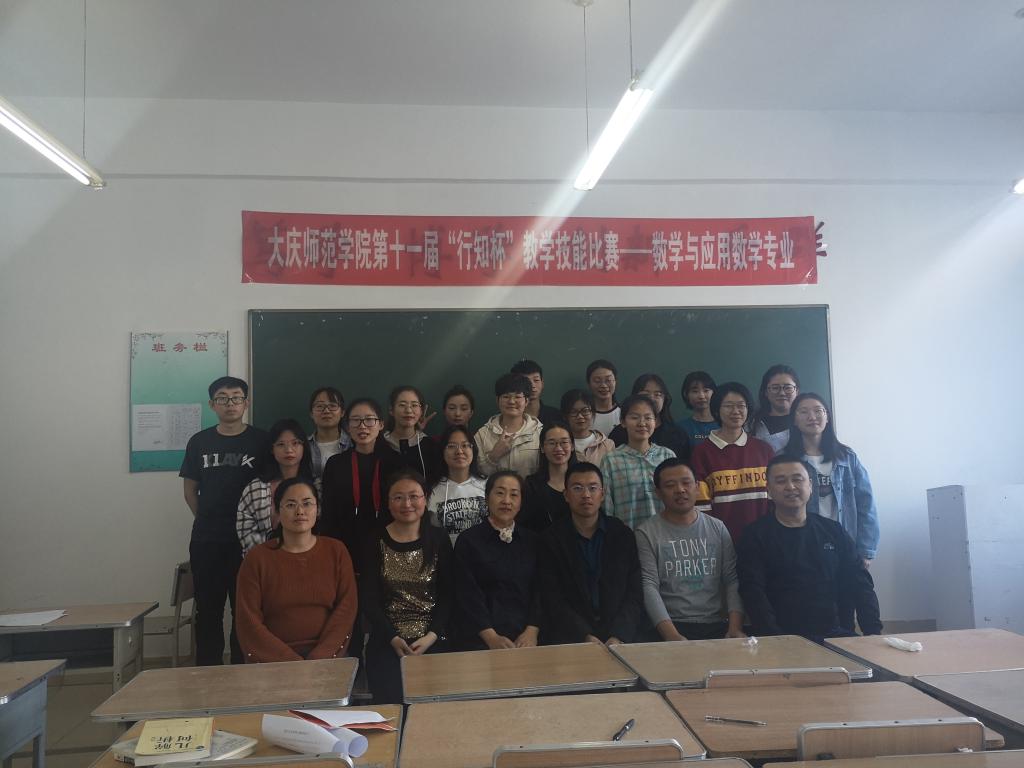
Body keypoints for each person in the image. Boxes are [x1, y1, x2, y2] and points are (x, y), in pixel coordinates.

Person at [737, 456, 882, 642]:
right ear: (769, 490)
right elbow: (753, 593)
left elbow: (860, 583)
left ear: (811, 485)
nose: (790, 487)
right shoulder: (755, 535)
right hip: (781, 640)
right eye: (781, 481)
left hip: (837, 636)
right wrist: (776, 640)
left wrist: (873, 633)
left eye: (797, 479)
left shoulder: (833, 531)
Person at [180, 376, 270, 665]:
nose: (229, 404)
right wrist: (207, 520)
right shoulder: (199, 442)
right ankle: (208, 673)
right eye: (222, 398)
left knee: (245, 610)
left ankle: (241, 672)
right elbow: (190, 490)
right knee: (208, 610)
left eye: (236, 398)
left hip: (249, 541)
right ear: (212, 404)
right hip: (207, 540)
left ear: (246, 402)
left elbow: (271, 488)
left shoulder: (261, 441)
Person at [235, 478, 358, 662]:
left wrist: (319, 658)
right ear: (277, 511)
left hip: (327, 660)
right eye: (291, 505)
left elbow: (346, 611)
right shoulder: (257, 558)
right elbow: (248, 621)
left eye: (307, 503)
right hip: (273, 661)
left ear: (317, 509)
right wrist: (290, 662)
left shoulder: (336, 551)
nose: (300, 511)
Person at [359, 471, 454, 703]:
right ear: (388, 502)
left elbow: (449, 594)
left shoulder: (439, 539)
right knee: (392, 704)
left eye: (414, 496)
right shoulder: (375, 540)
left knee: (436, 708)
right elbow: (368, 599)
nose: (407, 504)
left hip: (434, 638)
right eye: (398, 497)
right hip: (388, 640)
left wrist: (431, 636)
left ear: (425, 499)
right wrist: (393, 637)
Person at [636, 458, 744, 641]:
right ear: (658, 493)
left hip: (716, 624)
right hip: (670, 627)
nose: (680, 490)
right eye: (670, 485)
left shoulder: (717, 528)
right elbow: (649, 585)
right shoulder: (646, 532)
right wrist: (672, 636)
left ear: (697, 487)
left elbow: (732, 579)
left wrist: (734, 628)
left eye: (686, 482)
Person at [539, 463, 645, 645]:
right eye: (577, 488)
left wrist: (618, 635)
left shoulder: (622, 534)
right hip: (571, 639)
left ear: (602, 494)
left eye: (593, 488)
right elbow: (552, 597)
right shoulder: (551, 539)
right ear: (566, 495)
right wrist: (583, 635)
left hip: (620, 637)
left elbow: (634, 592)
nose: (586, 495)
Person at [784, 393, 880, 564]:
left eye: (818, 411)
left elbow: (866, 504)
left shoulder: (847, 457)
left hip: (845, 543)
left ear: (827, 417)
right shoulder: (785, 459)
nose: (812, 417)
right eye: (804, 412)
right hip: (802, 546)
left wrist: (866, 551)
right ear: (794, 420)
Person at [454, 471, 542, 650]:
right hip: (480, 639)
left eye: (514, 495)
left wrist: (532, 631)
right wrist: (491, 637)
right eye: (500, 493)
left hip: (527, 639)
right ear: (487, 498)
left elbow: (541, 589)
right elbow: (467, 593)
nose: (506, 501)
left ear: (521, 502)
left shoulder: (533, 541)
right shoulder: (468, 541)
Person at [320, 398, 404, 573]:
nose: (362, 426)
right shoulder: (336, 464)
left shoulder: (396, 463)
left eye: (369, 420)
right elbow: (328, 514)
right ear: (348, 427)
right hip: (345, 549)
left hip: (390, 547)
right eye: (355, 420)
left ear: (381, 424)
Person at [690, 382, 774, 543]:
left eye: (741, 406)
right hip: (721, 543)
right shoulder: (702, 453)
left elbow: (774, 498)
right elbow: (702, 507)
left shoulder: (764, 450)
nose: (736, 411)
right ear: (717, 410)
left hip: (764, 541)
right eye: (728, 406)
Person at [237, 418, 316, 555]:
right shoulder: (255, 488)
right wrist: (276, 554)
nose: (289, 450)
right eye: (281, 444)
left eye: (295, 443)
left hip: (308, 559)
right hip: (265, 560)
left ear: (304, 447)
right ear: (272, 449)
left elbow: (321, 528)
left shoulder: (317, 486)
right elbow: (246, 532)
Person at [599, 394, 676, 528]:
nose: (642, 423)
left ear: (655, 421)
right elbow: (607, 507)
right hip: (627, 535)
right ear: (623, 422)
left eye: (648, 417)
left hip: (666, 534)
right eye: (634, 417)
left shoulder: (667, 456)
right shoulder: (611, 460)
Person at [427, 424, 488, 543]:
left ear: (473, 450)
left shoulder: (487, 485)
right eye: (451, 446)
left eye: (465, 445)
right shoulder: (432, 489)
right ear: (442, 451)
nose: (459, 451)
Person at [608, 373, 690, 461]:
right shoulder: (619, 433)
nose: (651, 399)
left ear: (664, 399)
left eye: (657, 394)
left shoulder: (678, 434)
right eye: (645, 395)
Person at [474, 373, 542, 477]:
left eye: (517, 396)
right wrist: (494, 456)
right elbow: (477, 475)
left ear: (526, 401)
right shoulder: (482, 434)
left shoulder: (539, 432)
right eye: (506, 396)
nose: (511, 401)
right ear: (497, 400)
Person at [520, 422, 576, 532]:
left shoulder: (582, 481)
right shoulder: (532, 485)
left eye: (564, 442)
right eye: (552, 443)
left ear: (572, 446)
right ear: (542, 448)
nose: (558, 448)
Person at [383, 385, 443, 485]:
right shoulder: (380, 444)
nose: (408, 410)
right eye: (402, 405)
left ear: (421, 411)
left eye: (414, 405)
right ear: (391, 410)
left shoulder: (431, 446)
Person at [752, 364, 800, 453]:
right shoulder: (752, 423)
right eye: (775, 388)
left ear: (797, 391)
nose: (782, 393)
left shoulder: (805, 422)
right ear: (766, 392)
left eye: (788, 388)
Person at [560, 388, 615, 466]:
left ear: (592, 412)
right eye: (573, 412)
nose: (580, 416)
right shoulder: (559, 446)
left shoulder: (607, 445)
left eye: (585, 411)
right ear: (565, 416)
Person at [307, 387, 351, 479]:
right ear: (311, 413)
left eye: (332, 406)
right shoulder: (303, 446)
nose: (326, 411)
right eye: (320, 406)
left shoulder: (353, 444)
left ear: (342, 412)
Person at [510, 359, 562, 425]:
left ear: (542, 383)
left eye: (536, 380)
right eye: (526, 381)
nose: (532, 386)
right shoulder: (507, 416)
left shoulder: (555, 415)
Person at [676, 371, 717, 445]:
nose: (701, 396)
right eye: (695, 391)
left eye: (706, 390)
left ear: (714, 393)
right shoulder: (680, 428)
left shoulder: (725, 425)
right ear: (686, 395)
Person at [586, 359, 620, 436]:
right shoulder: (584, 416)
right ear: (589, 384)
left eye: (608, 380)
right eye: (597, 381)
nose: (603, 385)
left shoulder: (624, 413)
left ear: (615, 381)